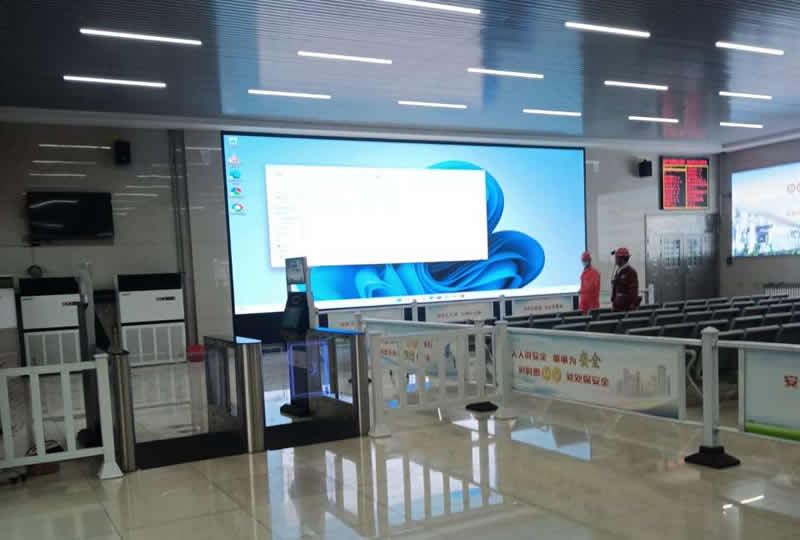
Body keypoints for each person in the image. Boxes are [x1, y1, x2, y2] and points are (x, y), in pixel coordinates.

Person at [611, 247, 640, 311]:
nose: (615, 259)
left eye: (617, 257)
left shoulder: (631, 272)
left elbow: (633, 292)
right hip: (617, 307)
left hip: (626, 309)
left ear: (622, 259)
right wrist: (613, 301)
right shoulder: (618, 271)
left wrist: (632, 305)